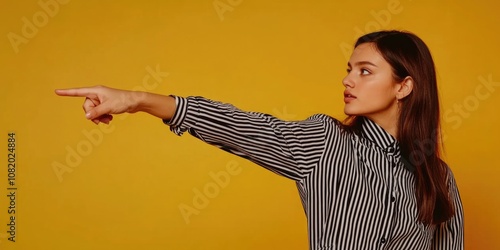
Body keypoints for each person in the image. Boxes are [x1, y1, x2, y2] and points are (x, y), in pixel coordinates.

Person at [56, 30, 464, 250]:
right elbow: (244, 127)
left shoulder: (439, 179)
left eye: (364, 71)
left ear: (404, 87)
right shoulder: (326, 142)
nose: (347, 79)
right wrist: (139, 99)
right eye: (348, 68)